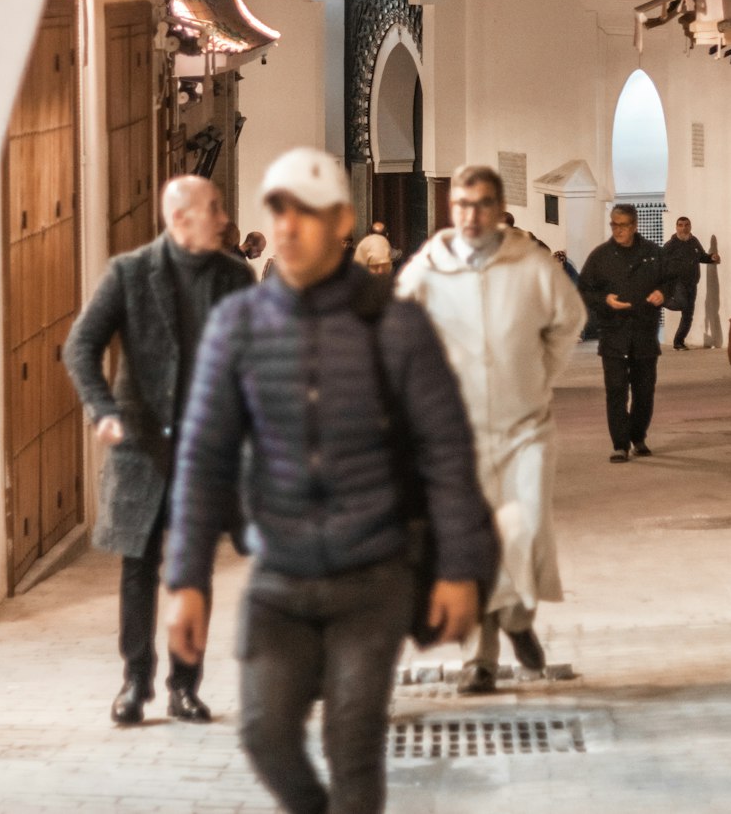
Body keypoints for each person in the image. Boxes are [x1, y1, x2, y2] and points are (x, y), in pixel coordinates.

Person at [166, 147, 498, 814]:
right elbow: (204, 456)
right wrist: (187, 581)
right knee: (263, 734)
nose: (288, 227)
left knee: (353, 739)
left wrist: (460, 568)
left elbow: (445, 453)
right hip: (279, 575)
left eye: (307, 213)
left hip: (371, 576)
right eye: (278, 211)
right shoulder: (239, 327)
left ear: (342, 222)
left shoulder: (395, 324)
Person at [63, 176, 253, 726]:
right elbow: (81, 345)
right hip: (142, 448)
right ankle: (135, 682)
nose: (222, 218)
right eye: (213, 209)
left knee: (194, 573)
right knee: (138, 567)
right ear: (180, 219)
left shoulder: (234, 276)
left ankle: (184, 687)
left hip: (206, 448)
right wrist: (103, 410)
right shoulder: (129, 273)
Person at [397, 164, 585, 695]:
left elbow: (568, 321)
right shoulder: (428, 269)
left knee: (522, 533)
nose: (469, 215)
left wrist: (540, 373)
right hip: (457, 436)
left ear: (499, 210)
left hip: (526, 427)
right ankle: (479, 658)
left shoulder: (531, 265)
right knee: (470, 545)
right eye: (460, 204)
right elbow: (397, 331)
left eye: (480, 205)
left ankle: (519, 622)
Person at [578, 204, 676, 462]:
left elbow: (671, 280)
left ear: (634, 226)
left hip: (644, 332)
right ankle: (619, 444)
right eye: (614, 224)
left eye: (622, 225)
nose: (617, 230)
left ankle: (638, 436)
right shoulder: (600, 257)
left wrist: (662, 293)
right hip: (614, 333)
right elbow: (584, 290)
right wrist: (605, 299)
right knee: (616, 390)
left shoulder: (653, 254)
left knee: (644, 391)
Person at [663, 216, 721, 350]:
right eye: (681, 225)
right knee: (683, 304)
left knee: (688, 314)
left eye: (686, 225)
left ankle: (678, 342)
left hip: (692, 283)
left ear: (690, 226)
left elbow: (701, 256)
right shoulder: (670, 245)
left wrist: (711, 257)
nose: (684, 228)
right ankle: (663, 301)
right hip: (677, 282)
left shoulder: (694, 241)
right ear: (676, 227)